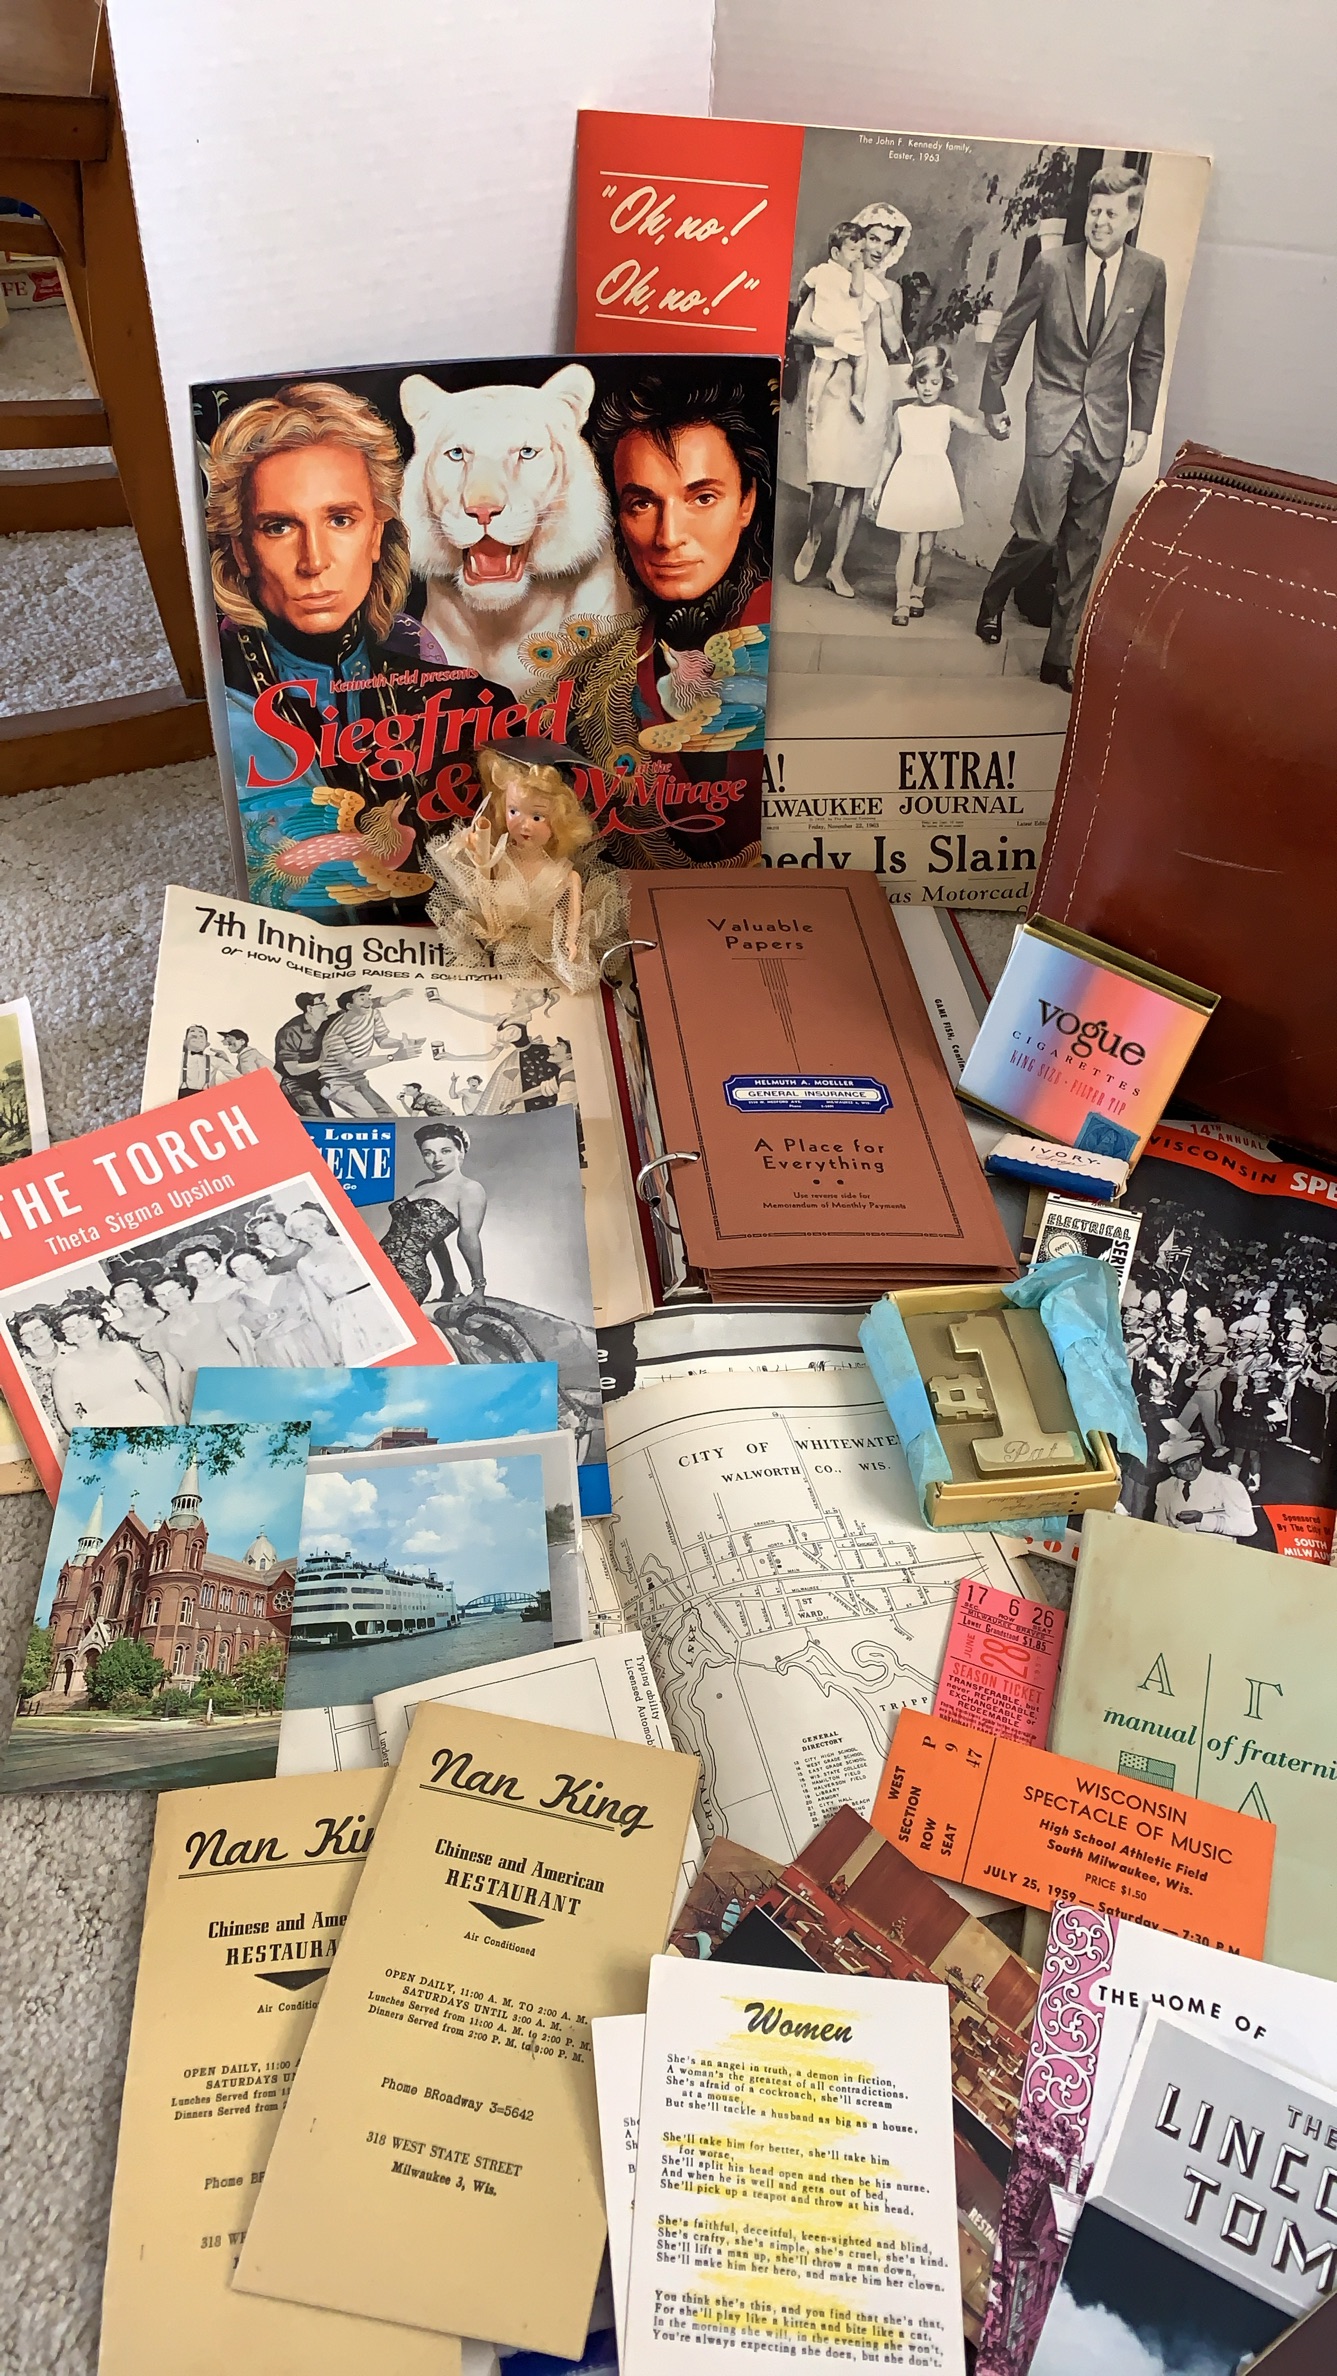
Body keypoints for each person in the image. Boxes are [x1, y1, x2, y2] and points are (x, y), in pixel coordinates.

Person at [203, 379, 510, 915]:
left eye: (340, 519)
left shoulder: (472, 701)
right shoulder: (225, 709)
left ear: (376, 535)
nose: (314, 560)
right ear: (242, 550)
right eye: (278, 527)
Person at [975, 167, 1167, 689]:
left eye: (1112, 213)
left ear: (1132, 218)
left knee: (1085, 544)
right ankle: (994, 597)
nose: (1100, 221)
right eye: (1094, 211)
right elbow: (1009, 333)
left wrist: (1142, 425)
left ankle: (1058, 656)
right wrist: (993, 398)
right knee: (1037, 533)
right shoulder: (1052, 265)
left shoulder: (1150, 273)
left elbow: (1149, 356)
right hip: (1052, 418)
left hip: (1108, 426)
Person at [790, 205, 913, 597]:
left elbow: (892, 342)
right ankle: (814, 536)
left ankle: (837, 566)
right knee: (826, 476)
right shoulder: (831, 277)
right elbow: (801, 329)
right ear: (858, 240)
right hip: (834, 378)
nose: (878, 248)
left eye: (886, 242)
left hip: (870, 381)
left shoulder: (891, 290)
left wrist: (888, 308)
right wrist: (837, 339)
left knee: (857, 481)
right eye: (872, 238)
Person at [866, 345, 989, 624]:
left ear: (944, 381)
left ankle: (917, 594)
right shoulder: (903, 413)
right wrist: (878, 486)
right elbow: (889, 450)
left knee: (925, 548)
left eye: (934, 382)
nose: (928, 388)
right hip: (908, 480)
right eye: (922, 381)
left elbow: (974, 426)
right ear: (915, 379)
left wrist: (996, 421)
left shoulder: (947, 412)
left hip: (934, 483)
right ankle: (901, 602)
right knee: (908, 545)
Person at [378, 1122, 488, 1308]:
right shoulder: (422, 1186)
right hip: (374, 1265)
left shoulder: (469, 1189)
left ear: (460, 1151)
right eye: (428, 1153)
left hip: (408, 1275)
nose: (437, 1159)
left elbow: (468, 1237)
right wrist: (449, 1281)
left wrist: (479, 1288)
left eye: (445, 1151)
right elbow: (436, 1242)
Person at [285, 1202, 399, 1361]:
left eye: (311, 1224)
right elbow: (318, 1304)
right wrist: (330, 1341)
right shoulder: (304, 1263)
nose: (309, 1231)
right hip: (345, 1316)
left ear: (322, 1222)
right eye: (300, 1230)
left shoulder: (348, 1242)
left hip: (375, 1302)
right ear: (296, 1236)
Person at [50, 1294, 175, 1433]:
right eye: (69, 1328)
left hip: (146, 1414)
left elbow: (151, 1384)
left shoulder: (124, 1348)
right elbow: (65, 1412)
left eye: (82, 1321)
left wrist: (169, 1416)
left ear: (97, 1322)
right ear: (67, 1338)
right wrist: (86, 1440)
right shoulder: (64, 1368)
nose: (79, 1329)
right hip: (105, 1427)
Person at [798, 221, 872, 423]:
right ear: (836, 253)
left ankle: (814, 401)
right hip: (847, 331)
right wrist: (859, 271)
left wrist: (802, 298)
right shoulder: (850, 276)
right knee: (861, 359)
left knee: (824, 367)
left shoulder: (819, 271)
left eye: (861, 251)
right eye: (853, 250)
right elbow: (857, 291)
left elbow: (804, 286)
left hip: (824, 328)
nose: (858, 256)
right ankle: (858, 396)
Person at [316, 983, 423, 1117]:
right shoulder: (334, 1034)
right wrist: (394, 1057)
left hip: (359, 1080)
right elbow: (352, 1064)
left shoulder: (373, 1014)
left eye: (369, 997)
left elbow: (382, 1040)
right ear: (349, 1006)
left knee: (390, 1117)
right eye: (362, 999)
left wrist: (402, 1043)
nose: (369, 1002)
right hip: (336, 1083)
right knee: (371, 1118)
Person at [223, 1244, 335, 1366]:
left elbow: (315, 1311)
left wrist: (331, 1341)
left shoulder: (291, 1279)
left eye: (250, 1263)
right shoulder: (236, 1301)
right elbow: (246, 1342)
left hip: (310, 1342)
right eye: (238, 1269)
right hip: (273, 1355)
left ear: (261, 1261)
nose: (247, 1270)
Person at [103, 1272, 189, 1419]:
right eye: (123, 1295)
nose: (131, 1298)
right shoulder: (110, 1333)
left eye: (135, 1292)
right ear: (114, 1302)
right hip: (149, 1394)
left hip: (184, 1380)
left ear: (143, 1293)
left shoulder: (166, 1314)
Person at [1153, 1441, 1256, 1539]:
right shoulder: (1165, 1487)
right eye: (1182, 1465)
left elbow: (1248, 1527)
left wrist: (1203, 1519)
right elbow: (1161, 1526)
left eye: (1194, 1461)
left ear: (1200, 1460)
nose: (1190, 1468)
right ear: (1172, 1470)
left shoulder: (1226, 1483)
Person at [273, 991, 332, 1116]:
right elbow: (292, 1070)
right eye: (322, 1005)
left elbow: (349, 1012)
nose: (327, 1007)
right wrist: (320, 1061)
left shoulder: (326, 1023)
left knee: (330, 1121)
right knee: (318, 1119)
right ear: (310, 1009)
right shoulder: (290, 1031)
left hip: (316, 1084)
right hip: (296, 1085)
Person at [11, 1305, 62, 1435]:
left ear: (50, 1328)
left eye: (38, 1328)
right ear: (21, 1341)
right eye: (27, 1333)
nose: (35, 1334)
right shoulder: (20, 1370)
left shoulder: (73, 1352)